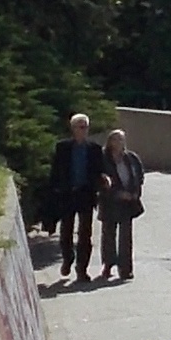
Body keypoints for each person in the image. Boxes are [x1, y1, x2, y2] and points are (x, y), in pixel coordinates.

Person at [42, 111, 104, 287]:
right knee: (66, 230)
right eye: (80, 127)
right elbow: (55, 172)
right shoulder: (63, 147)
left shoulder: (94, 149)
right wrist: (53, 192)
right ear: (73, 129)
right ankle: (68, 259)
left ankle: (82, 269)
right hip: (67, 194)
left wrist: (103, 180)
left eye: (86, 127)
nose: (83, 130)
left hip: (85, 194)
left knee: (85, 234)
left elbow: (98, 171)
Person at [94, 122, 149, 285]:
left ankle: (126, 269)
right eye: (117, 139)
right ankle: (108, 265)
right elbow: (100, 180)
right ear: (110, 142)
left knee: (126, 237)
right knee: (108, 235)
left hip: (128, 203)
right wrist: (116, 192)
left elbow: (139, 177)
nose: (120, 143)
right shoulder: (104, 159)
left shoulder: (131, 158)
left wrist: (134, 193)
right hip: (110, 202)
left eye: (122, 140)